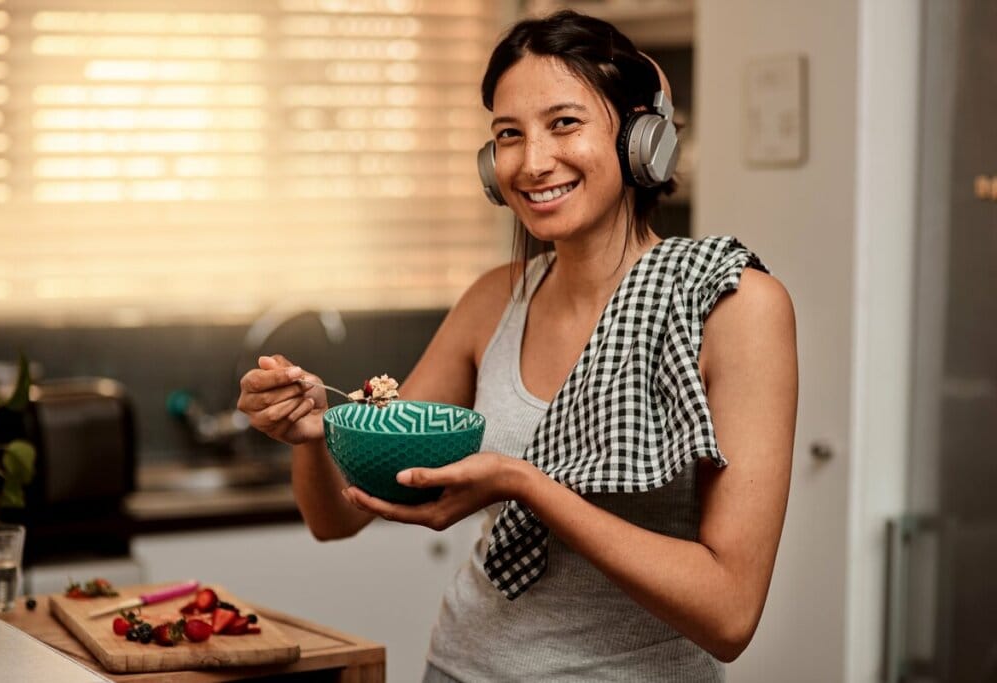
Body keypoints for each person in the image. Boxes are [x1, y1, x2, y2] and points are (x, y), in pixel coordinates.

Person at [237, 9, 797, 682]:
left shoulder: (731, 307)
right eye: (508, 134)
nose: (532, 163)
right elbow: (339, 518)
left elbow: (730, 614)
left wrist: (524, 483)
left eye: (564, 123)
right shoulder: (492, 300)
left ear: (643, 139)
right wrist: (314, 437)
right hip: (458, 666)